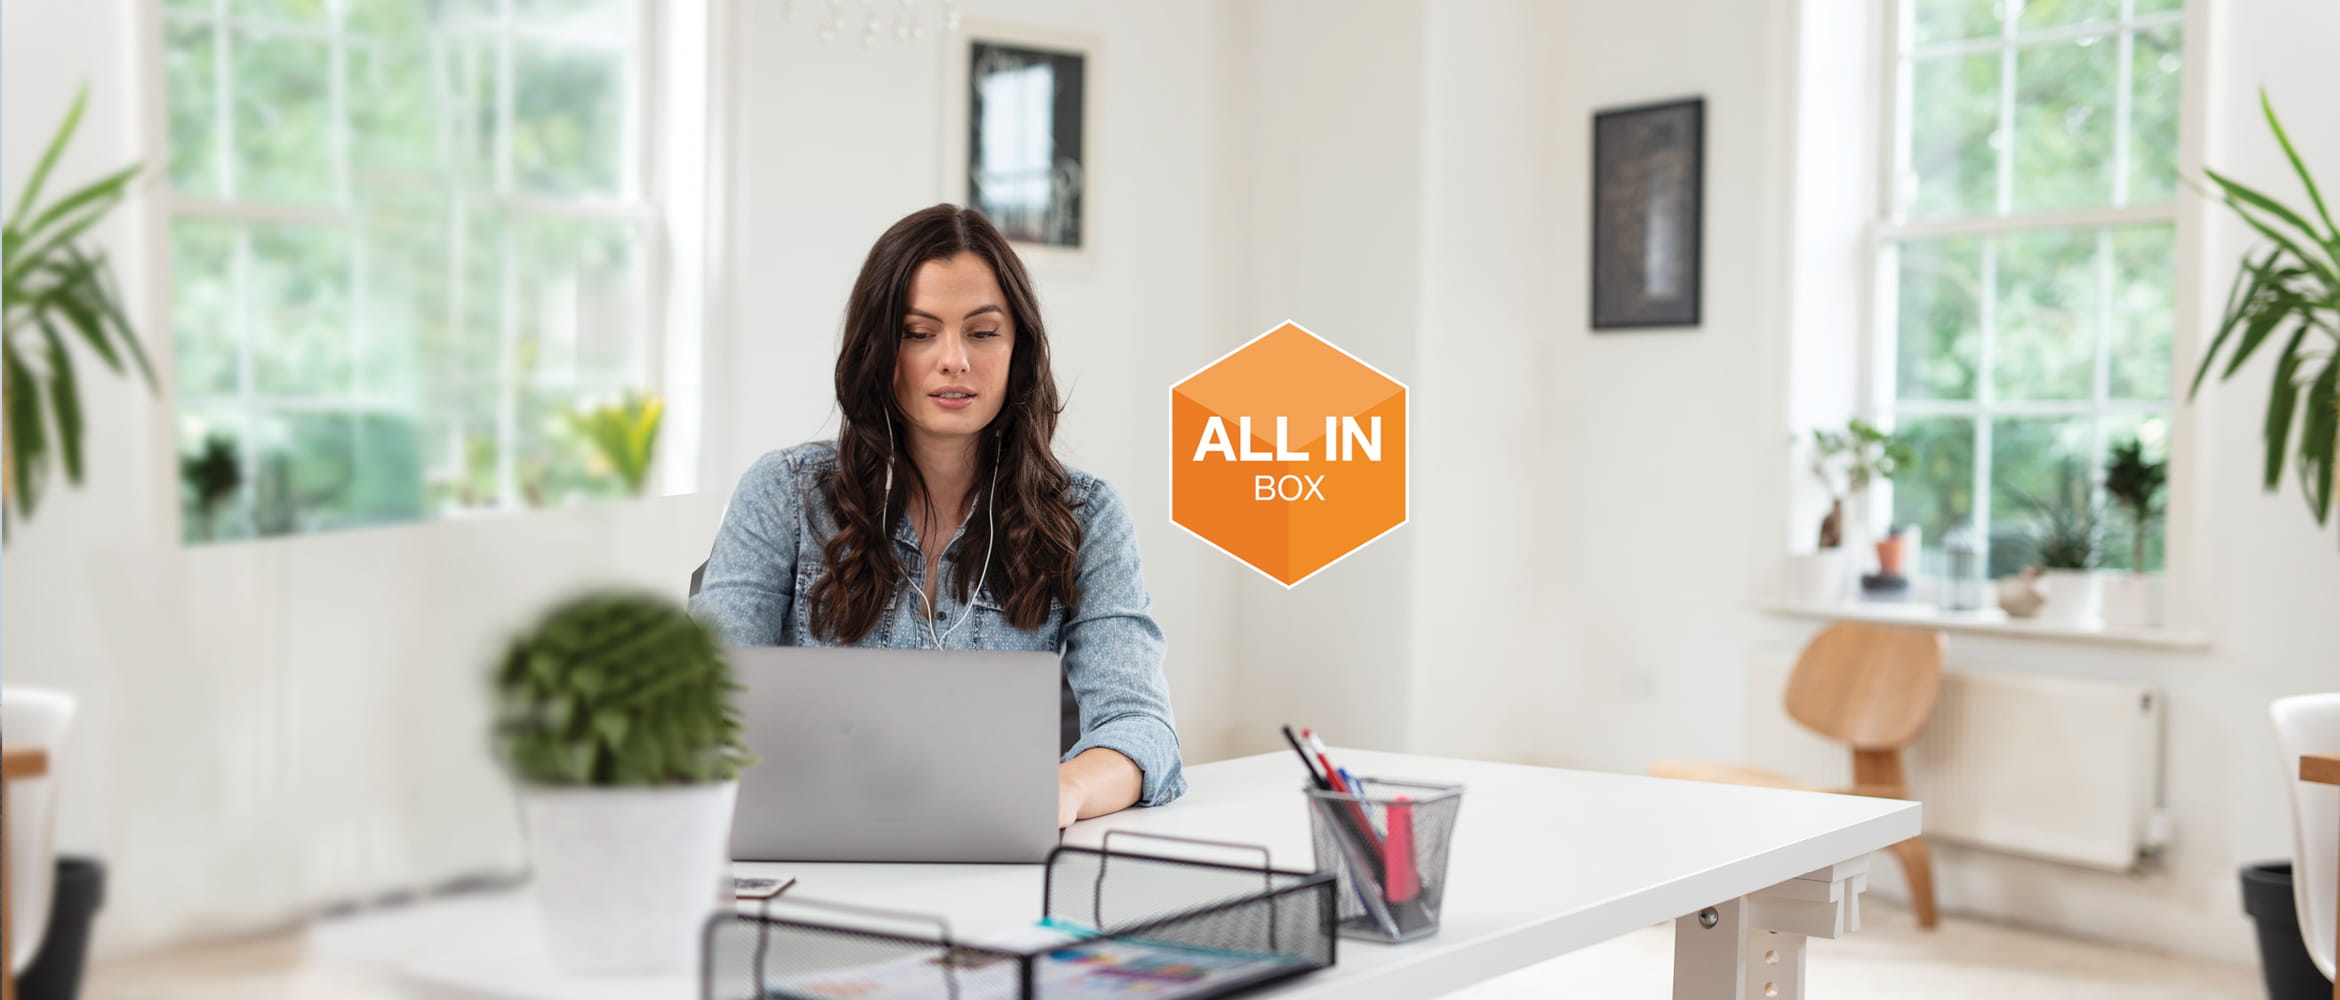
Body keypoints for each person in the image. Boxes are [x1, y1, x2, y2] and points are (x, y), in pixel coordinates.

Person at [689, 204, 1186, 827]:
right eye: (919, 333)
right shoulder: (784, 493)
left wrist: (1066, 790)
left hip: (1001, 861)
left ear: (1017, 349)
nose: (955, 360)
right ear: (878, 349)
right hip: (817, 861)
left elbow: (1140, 728)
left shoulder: (1086, 515)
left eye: (982, 332)